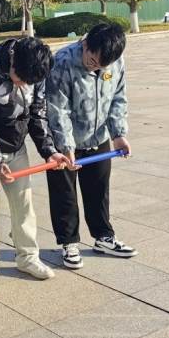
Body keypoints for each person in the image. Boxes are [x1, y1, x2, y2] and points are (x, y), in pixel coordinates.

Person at [0, 37, 70, 294]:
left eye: (29, 82)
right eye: (20, 79)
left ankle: (27, 257)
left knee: (24, 205)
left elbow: (38, 113)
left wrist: (50, 152)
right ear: (13, 62)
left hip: (17, 148)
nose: (24, 85)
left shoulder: (38, 70)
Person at [46, 23, 138, 270]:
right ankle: (68, 243)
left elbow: (118, 97)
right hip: (63, 142)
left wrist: (118, 134)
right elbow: (57, 109)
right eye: (93, 61)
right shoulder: (62, 62)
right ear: (86, 44)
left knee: (99, 188)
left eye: (101, 65)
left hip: (98, 137)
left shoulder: (114, 62)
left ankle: (103, 237)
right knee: (64, 194)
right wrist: (66, 146)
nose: (95, 67)